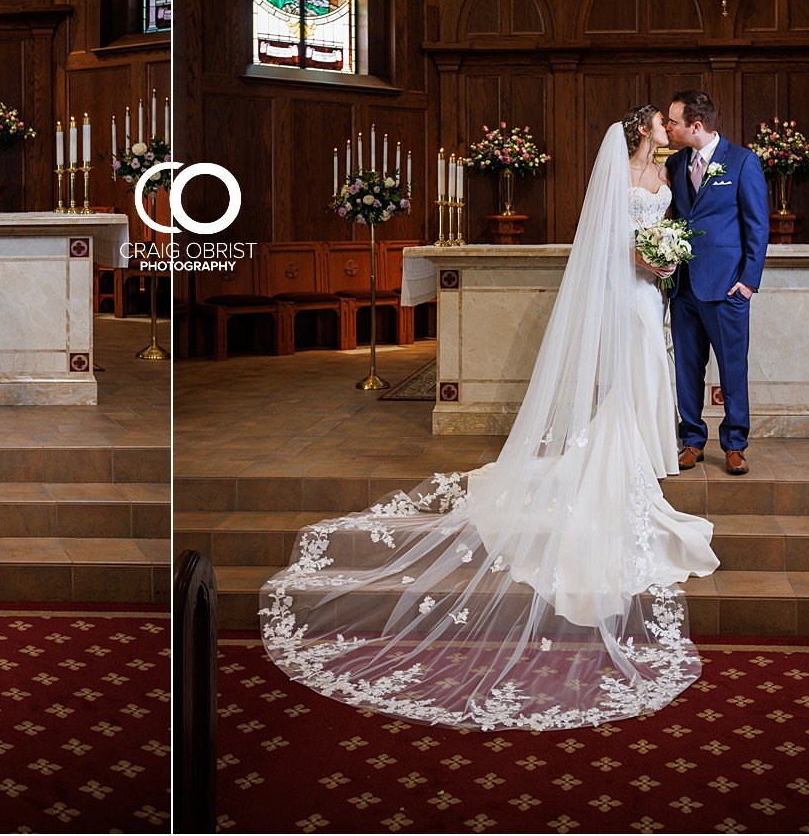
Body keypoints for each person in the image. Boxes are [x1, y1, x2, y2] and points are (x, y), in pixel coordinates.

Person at [260, 109, 718, 730]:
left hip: (647, 291)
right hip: (623, 288)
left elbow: (660, 236)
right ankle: (622, 447)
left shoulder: (667, 183)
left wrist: (662, 263)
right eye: (662, 125)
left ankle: (647, 446)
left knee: (648, 362)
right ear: (642, 131)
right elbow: (609, 241)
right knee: (627, 365)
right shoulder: (617, 174)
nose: (668, 130)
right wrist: (643, 259)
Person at [664, 89, 769, 475]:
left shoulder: (742, 162)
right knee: (687, 368)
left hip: (727, 288)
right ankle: (691, 440)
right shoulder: (675, 164)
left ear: (696, 124)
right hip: (683, 286)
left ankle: (735, 444)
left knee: (731, 368)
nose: (669, 127)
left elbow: (757, 227)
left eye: (674, 122)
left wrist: (748, 283)